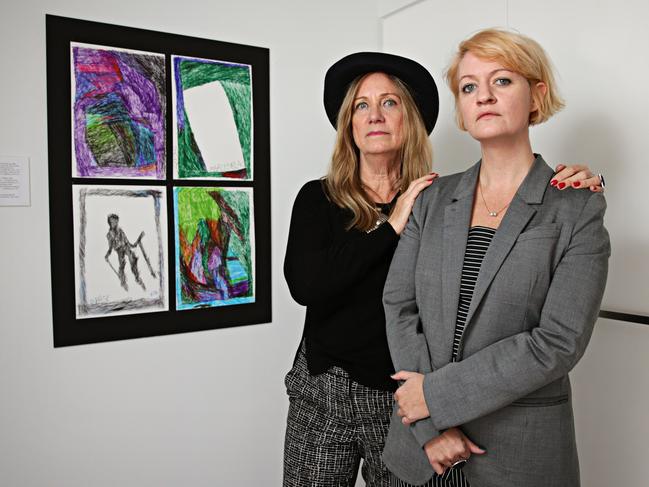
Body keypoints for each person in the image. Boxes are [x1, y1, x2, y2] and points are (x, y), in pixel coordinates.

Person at [283, 51, 602, 487]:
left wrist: (581, 185)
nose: (375, 115)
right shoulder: (318, 199)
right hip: (325, 388)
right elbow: (308, 285)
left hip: (402, 396)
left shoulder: (438, 198)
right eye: (361, 105)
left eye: (390, 103)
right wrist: (391, 225)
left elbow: (502, 234)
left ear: (410, 119)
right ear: (349, 125)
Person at [383, 29, 610, 487]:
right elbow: (399, 305)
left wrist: (436, 397)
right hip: (422, 450)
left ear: (536, 95)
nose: (483, 96)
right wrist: (430, 425)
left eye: (502, 81)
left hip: (520, 453)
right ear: (463, 112)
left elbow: (558, 341)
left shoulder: (576, 206)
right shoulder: (431, 199)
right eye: (469, 87)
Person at [105, 213, 146, 291]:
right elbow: (110, 248)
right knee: (122, 265)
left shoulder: (120, 230)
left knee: (132, 259)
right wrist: (107, 255)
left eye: (116, 222)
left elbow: (127, 242)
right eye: (113, 222)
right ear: (109, 223)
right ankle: (123, 282)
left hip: (126, 247)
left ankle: (137, 277)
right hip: (119, 250)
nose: (115, 224)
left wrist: (134, 244)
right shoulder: (109, 235)